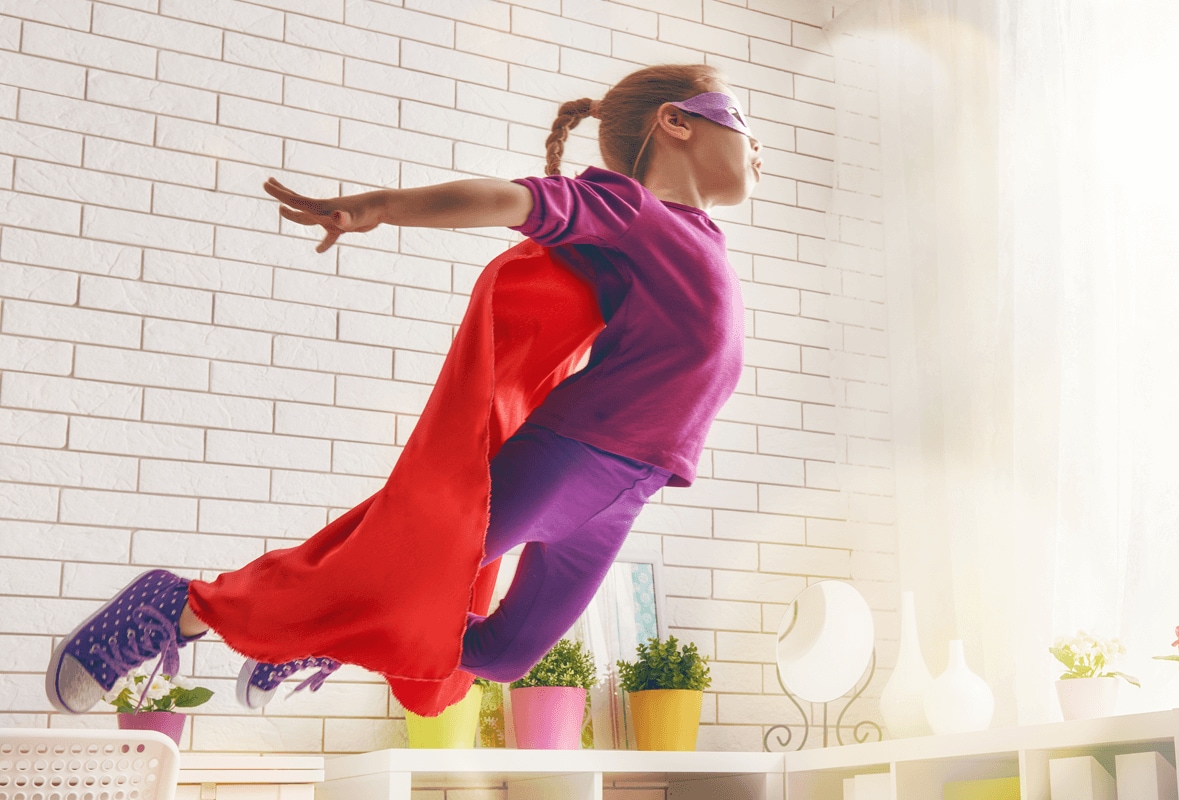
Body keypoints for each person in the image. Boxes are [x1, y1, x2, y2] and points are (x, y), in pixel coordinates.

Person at [45, 63, 762, 716]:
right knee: (393, 562)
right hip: (577, 455)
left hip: (630, 489)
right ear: (676, 121)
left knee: (507, 654)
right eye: (742, 121)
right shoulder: (631, 211)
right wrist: (382, 205)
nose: (757, 146)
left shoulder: (701, 238)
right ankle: (178, 607)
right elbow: (509, 200)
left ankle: (329, 634)